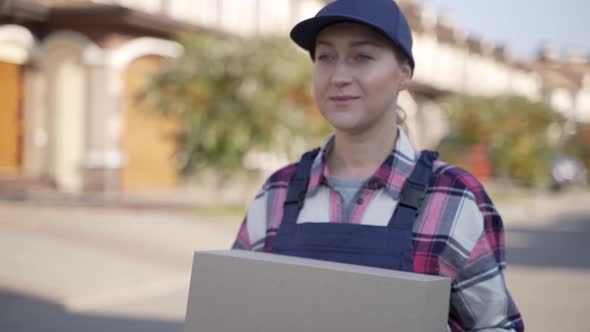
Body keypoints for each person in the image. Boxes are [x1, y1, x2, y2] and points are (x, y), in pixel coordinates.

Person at [232, 0, 524, 331]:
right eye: (326, 57)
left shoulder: (452, 198)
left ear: (404, 73)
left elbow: (495, 326)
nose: (339, 76)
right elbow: (234, 309)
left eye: (362, 57)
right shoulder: (277, 193)